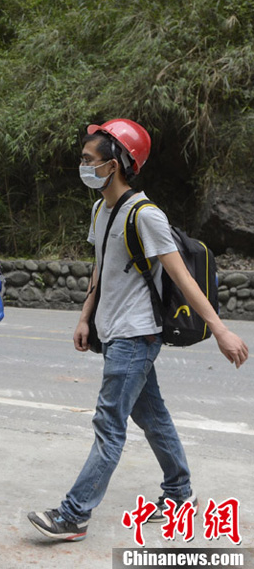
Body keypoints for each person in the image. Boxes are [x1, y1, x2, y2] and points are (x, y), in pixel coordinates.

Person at [28, 118, 249, 542]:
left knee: (109, 423)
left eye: (89, 159)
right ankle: (180, 493)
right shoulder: (101, 209)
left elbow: (182, 277)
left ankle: (74, 514)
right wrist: (84, 315)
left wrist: (220, 329)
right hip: (113, 332)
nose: (84, 165)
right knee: (153, 416)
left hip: (137, 335)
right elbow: (101, 267)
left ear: (115, 164)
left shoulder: (146, 215)